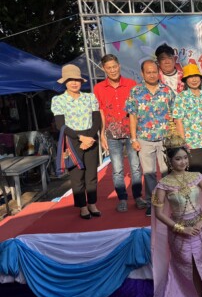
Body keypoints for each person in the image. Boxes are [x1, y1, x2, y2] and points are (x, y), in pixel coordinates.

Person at [126, 135, 202, 297]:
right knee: (184, 269)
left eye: (185, 158)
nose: (182, 162)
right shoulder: (163, 185)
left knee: (198, 267)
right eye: (178, 159)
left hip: (197, 231)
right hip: (178, 234)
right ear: (169, 160)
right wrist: (181, 229)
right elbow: (159, 214)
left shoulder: (198, 177)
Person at [94, 54, 145, 213]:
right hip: (111, 134)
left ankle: (138, 197)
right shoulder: (98, 88)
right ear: (104, 69)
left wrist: (138, 134)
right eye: (109, 68)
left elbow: (137, 110)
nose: (113, 70)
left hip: (131, 133)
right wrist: (102, 135)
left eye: (114, 67)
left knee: (135, 167)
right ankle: (122, 199)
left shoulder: (131, 84)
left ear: (119, 66)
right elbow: (101, 112)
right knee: (117, 169)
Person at [126, 60, 175, 216]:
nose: (152, 75)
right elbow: (132, 116)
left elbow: (175, 115)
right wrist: (134, 139)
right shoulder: (135, 92)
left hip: (165, 139)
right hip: (144, 138)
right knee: (149, 173)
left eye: (154, 72)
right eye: (148, 72)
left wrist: (176, 136)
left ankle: (168, 201)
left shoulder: (167, 91)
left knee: (167, 172)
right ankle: (153, 203)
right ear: (142, 73)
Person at [52, 64, 101, 219]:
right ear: (65, 82)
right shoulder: (58, 100)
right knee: (77, 176)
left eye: (77, 79)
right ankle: (82, 206)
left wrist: (89, 138)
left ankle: (92, 203)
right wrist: (81, 138)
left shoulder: (90, 97)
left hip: (91, 137)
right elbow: (60, 125)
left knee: (91, 174)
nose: (74, 83)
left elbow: (97, 120)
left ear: (81, 81)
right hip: (72, 139)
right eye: (70, 79)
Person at [173, 63, 202, 185]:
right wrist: (183, 143)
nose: (194, 80)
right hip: (192, 144)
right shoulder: (181, 97)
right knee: (196, 175)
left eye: (196, 76)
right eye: (190, 77)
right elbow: (178, 121)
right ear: (185, 80)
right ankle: (198, 196)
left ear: (201, 78)